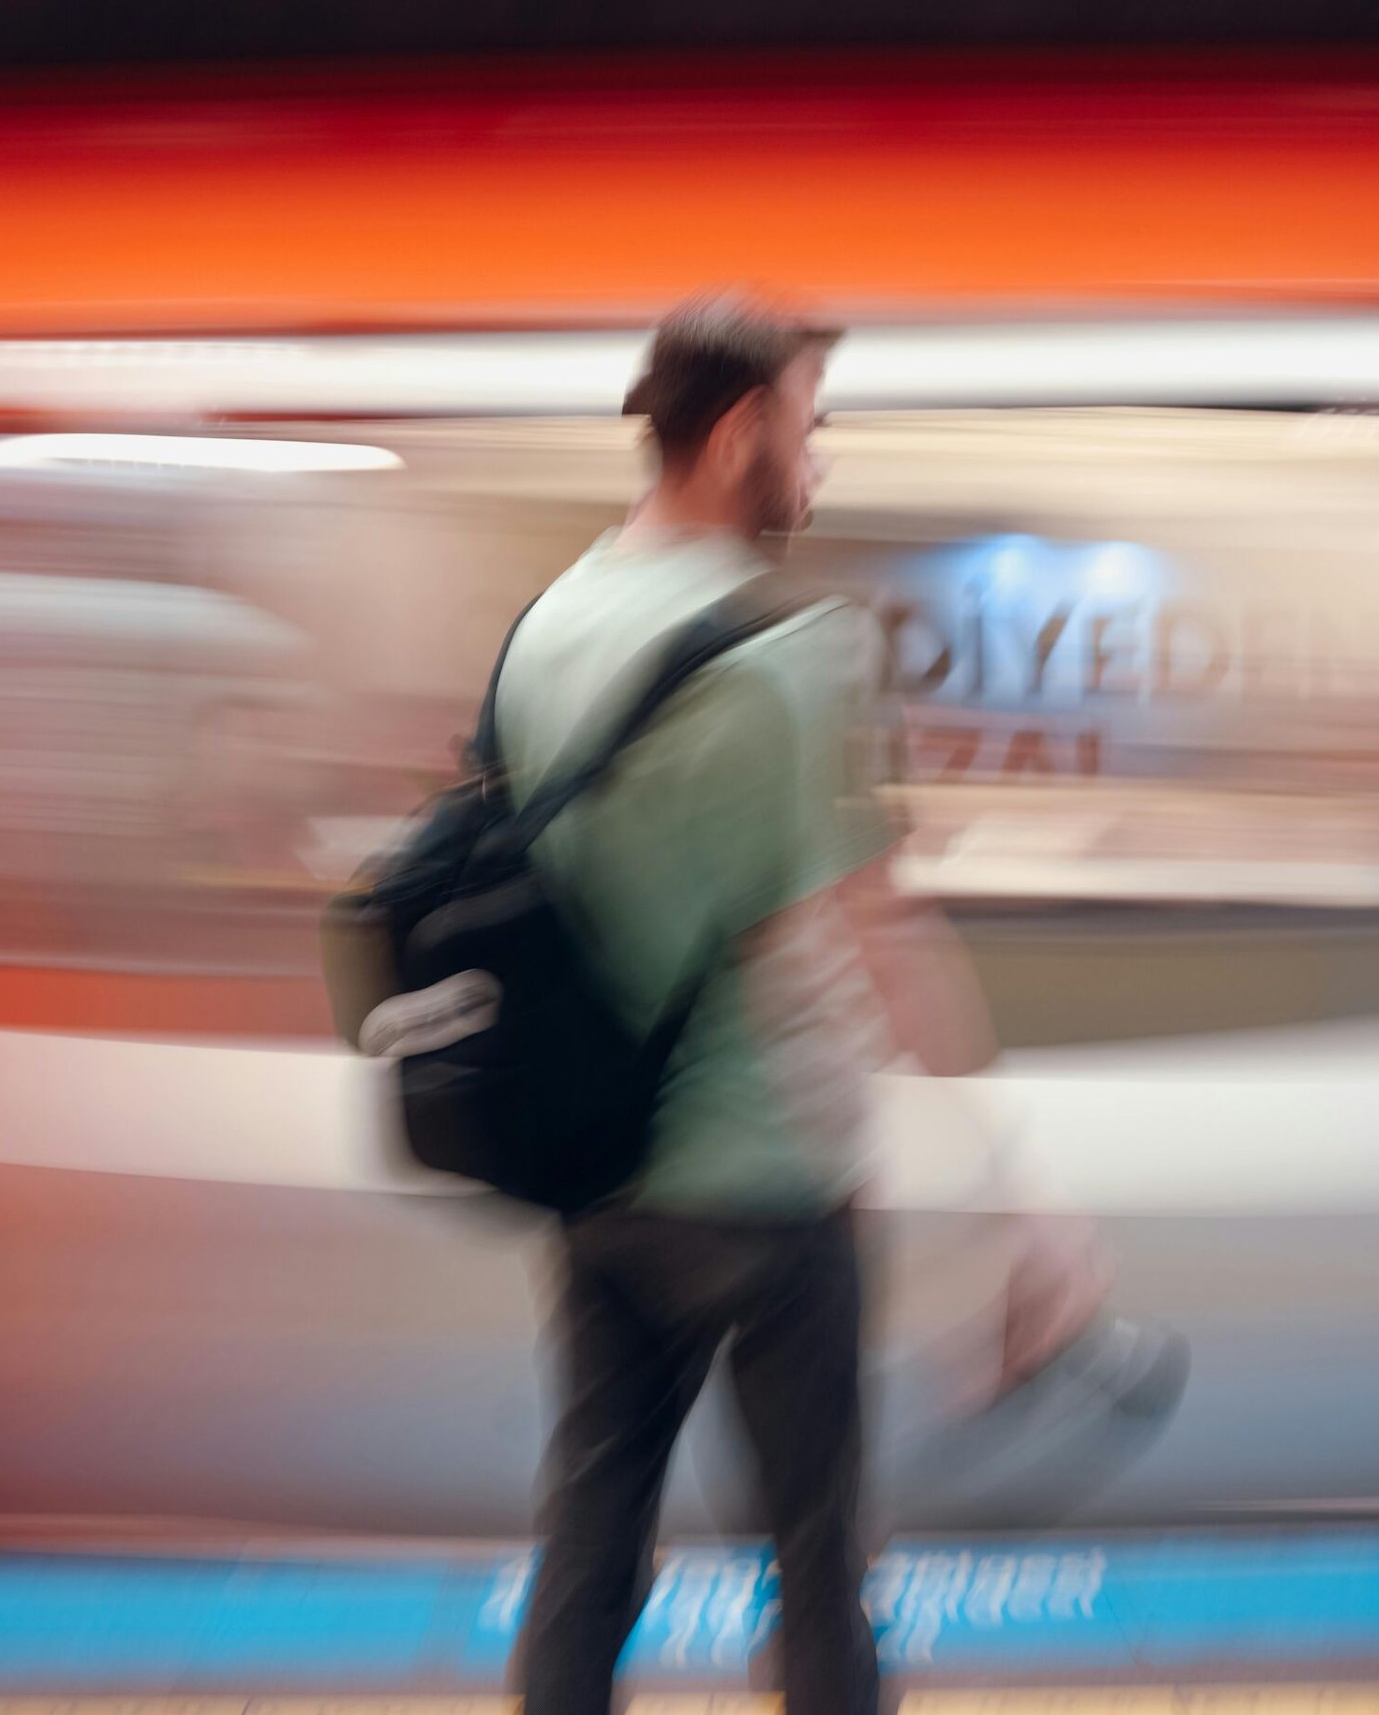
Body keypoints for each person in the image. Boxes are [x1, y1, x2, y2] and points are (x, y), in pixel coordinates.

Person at [496, 294, 896, 1715]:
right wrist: (921, 1173)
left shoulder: (543, 624)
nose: (822, 458)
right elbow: (820, 954)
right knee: (818, 1566)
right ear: (739, 436)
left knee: (589, 1546)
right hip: (764, 1191)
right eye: (812, 423)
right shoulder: (789, 650)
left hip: (595, 1173)